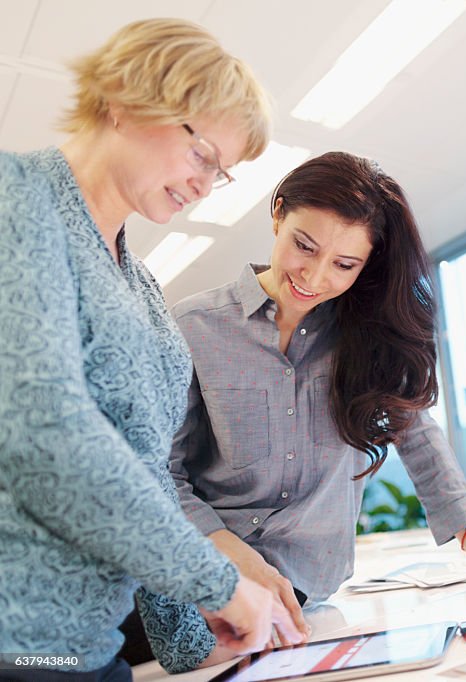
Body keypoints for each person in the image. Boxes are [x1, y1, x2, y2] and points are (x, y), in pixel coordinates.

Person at [169, 151, 466, 645]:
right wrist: (235, 558)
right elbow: (164, 472)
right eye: (304, 246)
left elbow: (422, 444)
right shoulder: (192, 325)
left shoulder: (366, 339)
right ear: (278, 213)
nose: (314, 276)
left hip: (304, 597)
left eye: (344, 264)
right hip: (198, 579)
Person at [0, 18, 304, 681]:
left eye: (221, 172)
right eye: (202, 154)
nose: (206, 182)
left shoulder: (142, 289)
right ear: (123, 100)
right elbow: (45, 433)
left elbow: (145, 474)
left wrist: (190, 638)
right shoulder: (16, 198)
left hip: (88, 651)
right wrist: (218, 583)